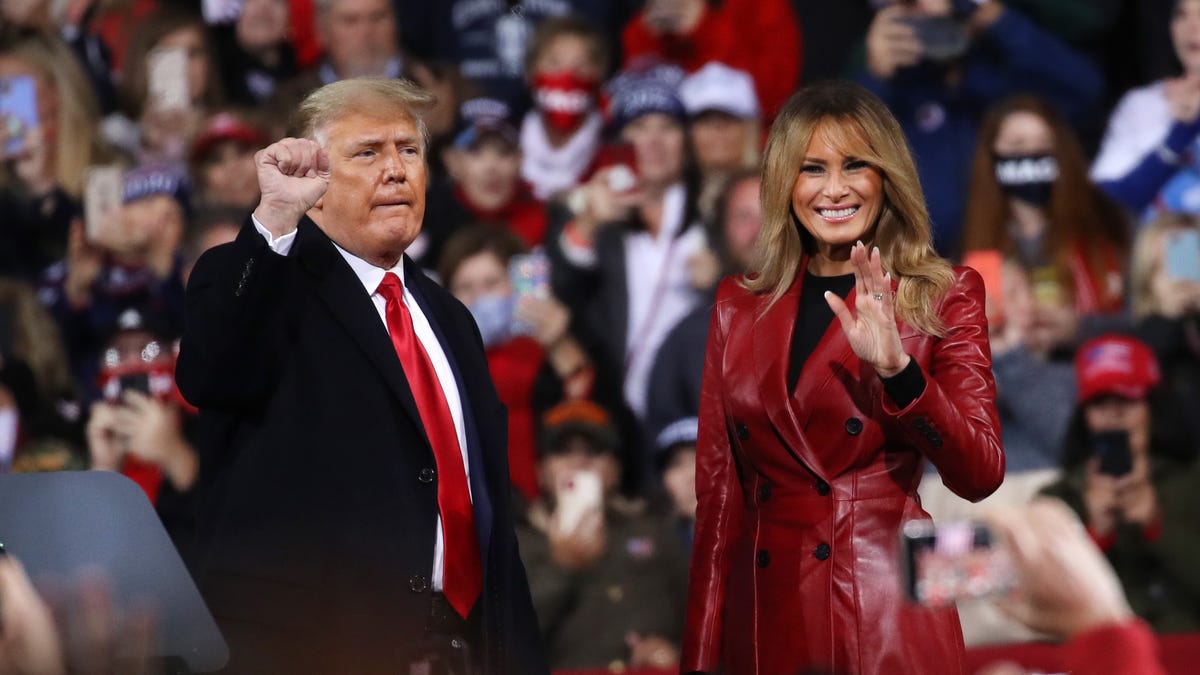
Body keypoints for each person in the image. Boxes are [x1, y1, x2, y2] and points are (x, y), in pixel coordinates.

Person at [175, 77, 546, 674]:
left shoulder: (452, 320)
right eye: (368, 153)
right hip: (310, 652)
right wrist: (273, 218)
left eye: (409, 150)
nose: (396, 170)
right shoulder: (261, 280)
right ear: (313, 188)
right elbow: (212, 373)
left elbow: (491, 523)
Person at [681, 80, 1004, 675]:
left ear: (887, 177)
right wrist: (700, 659)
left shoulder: (943, 293)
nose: (834, 189)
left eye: (855, 165)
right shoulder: (737, 306)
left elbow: (980, 473)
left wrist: (899, 374)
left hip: (888, 616)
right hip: (769, 622)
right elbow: (720, 503)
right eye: (812, 169)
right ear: (785, 184)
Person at [1039, 334, 1200, 633]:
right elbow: (1043, 610)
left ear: (1154, 410)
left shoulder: (1192, 481)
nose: (1114, 415)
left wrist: (1156, 524)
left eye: (1127, 400)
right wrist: (1094, 534)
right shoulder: (1056, 500)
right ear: (1084, 419)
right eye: (1100, 404)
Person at [515, 400, 688, 672]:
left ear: (616, 471)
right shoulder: (517, 544)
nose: (579, 461)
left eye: (594, 451)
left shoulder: (654, 531)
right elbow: (509, 639)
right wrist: (562, 568)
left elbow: (703, 618)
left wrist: (675, 650)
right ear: (541, 472)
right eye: (562, 450)